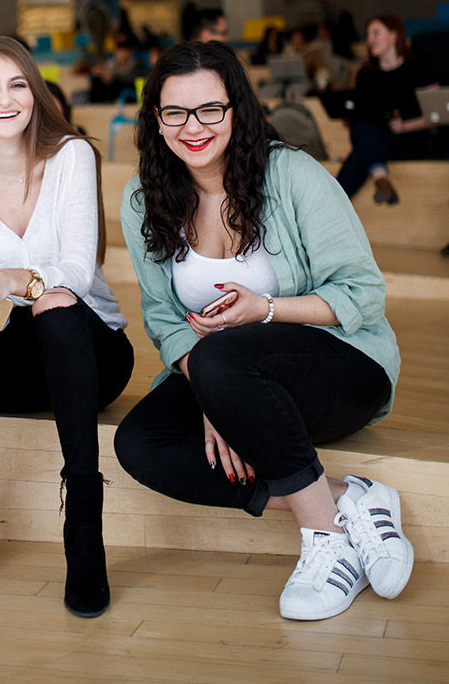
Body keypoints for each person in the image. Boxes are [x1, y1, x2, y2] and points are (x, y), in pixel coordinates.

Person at [114, 40, 412, 622]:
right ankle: (349, 500)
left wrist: (266, 310)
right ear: (156, 119)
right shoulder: (141, 198)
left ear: (237, 110)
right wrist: (213, 396)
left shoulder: (293, 174)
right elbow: (164, 319)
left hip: (340, 369)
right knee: (140, 443)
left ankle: (325, 542)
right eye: (175, 112)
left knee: (223, 358)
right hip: (229, 380)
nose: (192, 127)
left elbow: (363, 294)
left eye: (210, 110)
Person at [0, 36, 133, 617]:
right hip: (11, 369)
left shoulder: (71, 156)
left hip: (89, 351)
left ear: (36, 93)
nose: (5, 98)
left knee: (56, 300)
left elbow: (75, 268)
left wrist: (13, 278)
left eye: (18, 84)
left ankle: (84, 523)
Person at [337, 14, 436, 206]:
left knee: (360, 153)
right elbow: (361, 110)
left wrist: (405, 126)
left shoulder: (418, 67)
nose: (370, 40)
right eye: (368, 35)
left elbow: (438, 114)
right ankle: (380, 176)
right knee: (361, 126)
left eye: (376, 33)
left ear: (393, 35)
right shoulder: (365, 74)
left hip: (409, 138)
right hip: (376, 136)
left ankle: (331, 206)